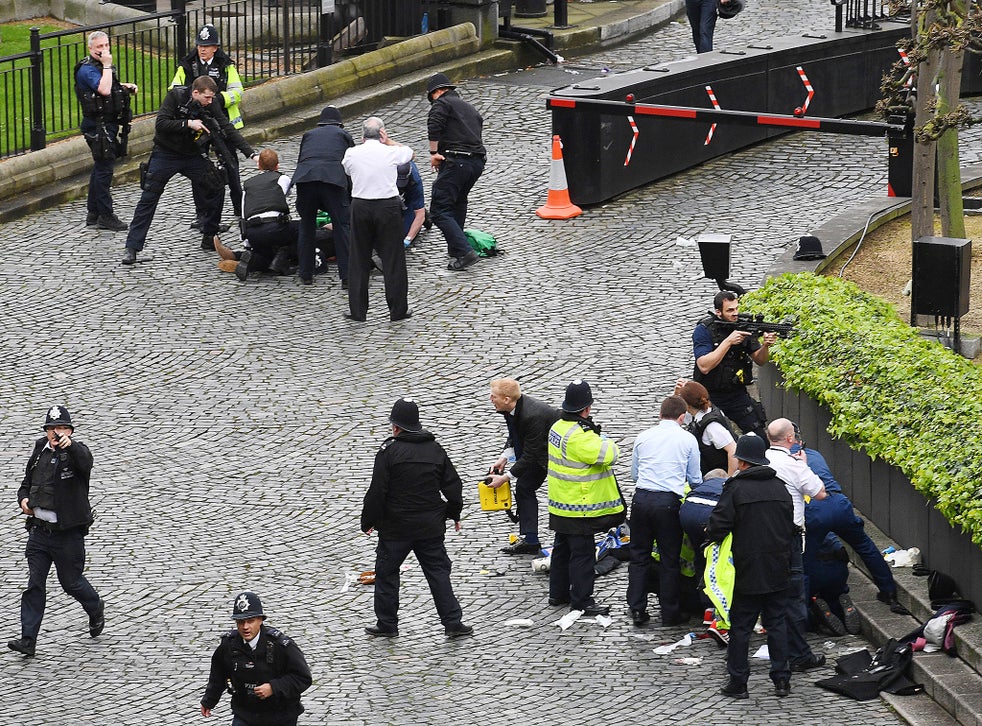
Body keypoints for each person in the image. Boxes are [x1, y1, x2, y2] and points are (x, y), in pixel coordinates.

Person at [360, 398, 472, 638]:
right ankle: (453, 623)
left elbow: (377, 491)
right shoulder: (435, 449)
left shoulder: (389, 451)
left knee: (387, 574)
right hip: (430, 527)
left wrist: (368, 521)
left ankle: (387, 625)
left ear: (396, 426)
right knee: (438, 574)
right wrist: (453, 513)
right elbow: (453, 485)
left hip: (395, 529)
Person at [122, 75, 255, 265]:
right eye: (206, 98)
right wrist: (188, 124)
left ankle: (209, 234)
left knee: (217, 185)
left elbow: (228, 129)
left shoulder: (211, 103)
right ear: (195, 93)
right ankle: (132, 247)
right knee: (149, 197)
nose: (210, 102)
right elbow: (161, 124)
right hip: (166, 153)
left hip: (192, 154)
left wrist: (250, 154)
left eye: (211, 98)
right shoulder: (175, 97)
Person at [7, 406, 104, 658]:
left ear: (70, 431)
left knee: (71, 583)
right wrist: (24, 500)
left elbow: (86, 462)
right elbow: (26, 484)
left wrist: (69, 446)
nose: (55, 432)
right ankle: (28, 639)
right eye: (51, 428)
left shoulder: (76, 454)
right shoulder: (40, 449)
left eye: (61, 427)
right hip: (39, 533)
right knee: (34, 585)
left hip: (67, 535)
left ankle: (95, 608)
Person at [706, 434, 796, 699]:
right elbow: (789, 526)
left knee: (741, 627)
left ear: (742, 462)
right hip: (779, 567)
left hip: (746, 570)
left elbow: (718, 526)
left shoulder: (735, 490)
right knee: (777, 623)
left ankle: (738, 682)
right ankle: (782, 680)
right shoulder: (780, 488)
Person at [795, 429, 907, 616]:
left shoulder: (789, 462)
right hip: (839, 503)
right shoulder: (815, 454)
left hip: (815, 508)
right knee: (864, 545)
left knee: (805, 559)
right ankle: (888, 591)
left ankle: (804, 612)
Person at [547, 380, 625, 616]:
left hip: (561, 502)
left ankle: (557, 593)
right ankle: (582, 600)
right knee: (582, 554)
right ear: (587, 408)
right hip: (580, 506)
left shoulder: (557, 427)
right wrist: (604, 438)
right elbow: (611, 454)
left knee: (561, 549)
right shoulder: (580, 437)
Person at [627, 395, 702, 627]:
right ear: (682, 417)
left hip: (640, 500)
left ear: (660, 414)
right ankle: (670, 612)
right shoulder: (688, 439)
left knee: (638, 556)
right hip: (668, 503)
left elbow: (634, 475)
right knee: (670, 559)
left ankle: (637, 609)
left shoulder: (643, 436)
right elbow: (695, 478)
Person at [765, 418, 828, 673]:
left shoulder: (762, 459)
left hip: (763, 536)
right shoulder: (793, 465)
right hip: (789, 538)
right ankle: (799, 653)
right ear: (790, 438)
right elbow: (820, 492)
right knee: (793, 596)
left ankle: (780, 650)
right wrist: (803, 465)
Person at [171, 24, 246, 224]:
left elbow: (237, 92)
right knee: (199, 170)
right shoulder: (186, 64)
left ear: (215, 47)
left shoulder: (226, 65)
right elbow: (175, 89)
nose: (202, 49)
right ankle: (202, 213)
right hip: (197, 125)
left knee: (231, 167)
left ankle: (240, 208)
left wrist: (218, 100)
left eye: (207, 45)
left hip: (221, 122)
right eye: (200, 45)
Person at [200, 591, 312, 724]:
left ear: (260, 620)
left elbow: (303, 678)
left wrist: (273, 687)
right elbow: (218, 675)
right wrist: (209, 701)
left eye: (250, 621)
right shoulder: (229, 645)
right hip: (245, 713)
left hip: (280, 715)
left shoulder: (281, 646)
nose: (245, 627)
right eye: (240, 622)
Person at [341, 117, 414, 322]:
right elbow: (410, 153)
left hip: (361, 205)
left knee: (358, 258)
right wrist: (388, 141)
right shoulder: (390, 151)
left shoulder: (351, 153)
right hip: (387, 206)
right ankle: (398, 310)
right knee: (393, 258)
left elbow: (347, 169)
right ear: (382, 133)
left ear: (362, 136)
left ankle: (358, 311)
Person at [232, 149, 336, 281]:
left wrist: (247, 243)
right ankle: (284, 256)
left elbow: (243, 214)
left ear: (258, 166)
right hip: (275, 227)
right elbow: (285, 194)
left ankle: (252, 257)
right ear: (277, 166)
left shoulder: (247, 185)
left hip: (252, 232)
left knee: (266, 254)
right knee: (302, 229)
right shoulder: (282, 178)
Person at [485, 378, 561, 555]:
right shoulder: (511, 407)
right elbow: (515, 433)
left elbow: (531, 454)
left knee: (527, 487)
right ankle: (531, 540)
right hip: (539, 451)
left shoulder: (532, 415)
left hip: (550, 454)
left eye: (493, 396)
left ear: (506, 399)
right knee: (524, 487)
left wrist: (505, 477)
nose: (490, 399)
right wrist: (504, 457)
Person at [75, 30, 137, 232]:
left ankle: (93, 212)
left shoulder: (101, 67)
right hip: (97, 126)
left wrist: (125, 86)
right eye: (99, 47)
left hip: (106, 124)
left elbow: (109, 86)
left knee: (100, 166)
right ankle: (105, 215)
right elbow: (103, 90)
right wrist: (108, 65)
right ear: (90, 48)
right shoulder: (88, 69)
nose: (104, 50)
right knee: (104, 170)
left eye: (106, 45)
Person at [692, 290, 777, 437]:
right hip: (709, 394)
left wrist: (766, 346)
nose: (735, 313)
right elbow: (704, 366)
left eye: (737, 308)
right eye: (730, 310)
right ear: (718, 312)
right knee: (713, 438)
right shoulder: (705, 330)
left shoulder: (742, 326)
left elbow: (760, 360)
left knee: (760, 435)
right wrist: (728, 342)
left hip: (736, 393)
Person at [426, 73, 485, 272]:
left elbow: (434, 126)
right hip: (476, 163)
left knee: (439, 210)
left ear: (437, 92)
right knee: (458, 201)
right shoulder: (469, 108)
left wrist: (434, 153)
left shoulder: (442, 104)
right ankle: (456, 247)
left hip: (456, 161)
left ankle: (464, 252)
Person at [291, 105, 354, 286]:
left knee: (306, 225)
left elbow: (302, 160)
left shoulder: (308, 135)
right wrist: (349, 197)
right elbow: (350, 167)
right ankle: (347, 277)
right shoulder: (343, 136)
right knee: (342, 227)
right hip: (332, 181)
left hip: (306, 180)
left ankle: (306, 273)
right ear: (339, 123)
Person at [678, 467, 728, 623]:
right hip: (710, 514)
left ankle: (706, 606)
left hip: (687, 513)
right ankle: (718, 608)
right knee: (719, 561)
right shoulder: (728, 485)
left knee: (700, 557)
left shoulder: (695, 487)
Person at [676, 379, 737, 476]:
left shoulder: (711, 426)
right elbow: (675, 414)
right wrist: (677, 394)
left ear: (687, 405)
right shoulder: (704, 412)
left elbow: (733, 450)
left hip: (718, 477)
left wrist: (729, 481)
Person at [398, 159, 427, 248]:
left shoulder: (415, 180)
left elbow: (420, 214)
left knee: (404, 234)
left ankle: (425, 214)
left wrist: (408, 239)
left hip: (410, 195)